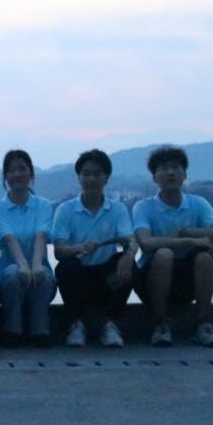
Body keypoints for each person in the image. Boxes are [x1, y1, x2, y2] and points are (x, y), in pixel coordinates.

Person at [132, 146, 213, 347]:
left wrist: (187, 231)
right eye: (164, 168)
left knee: (204, 258)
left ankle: (204, 324)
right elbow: (146, 243)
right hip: (150, 280)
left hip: (187, 282)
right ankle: (160, 324)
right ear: (154, 177)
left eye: (176, 167)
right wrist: (190, 242)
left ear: (184, 174)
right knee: (164, 254)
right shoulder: (143, 207)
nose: (170, 173)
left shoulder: (198, 204)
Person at [52, 149, 136, 348]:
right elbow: (59, 251)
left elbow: (129, 239)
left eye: (97, 174)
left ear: (106, 177)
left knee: (129, 266)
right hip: (79, 274)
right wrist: (78, 248)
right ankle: (77, 324)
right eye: (86, 174)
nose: (91, 179)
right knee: (65, 266)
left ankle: (109, 324)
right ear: (79, 177)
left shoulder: (117, 209)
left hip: (105, 275)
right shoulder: (65, 210)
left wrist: (129, 255)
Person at [0, 150, 56, 347]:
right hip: (6, 278)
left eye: (22, 169)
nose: (17, 174)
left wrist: (36, 264)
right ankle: (13, 330)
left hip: (38, 273)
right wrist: (23, 265)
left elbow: (41, 235)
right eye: (11, 170)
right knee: (13, 273)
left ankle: (40, 330)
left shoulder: (43, 205)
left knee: (43, 275)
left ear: (31, 173)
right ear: (5, 176)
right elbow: (8, 238)